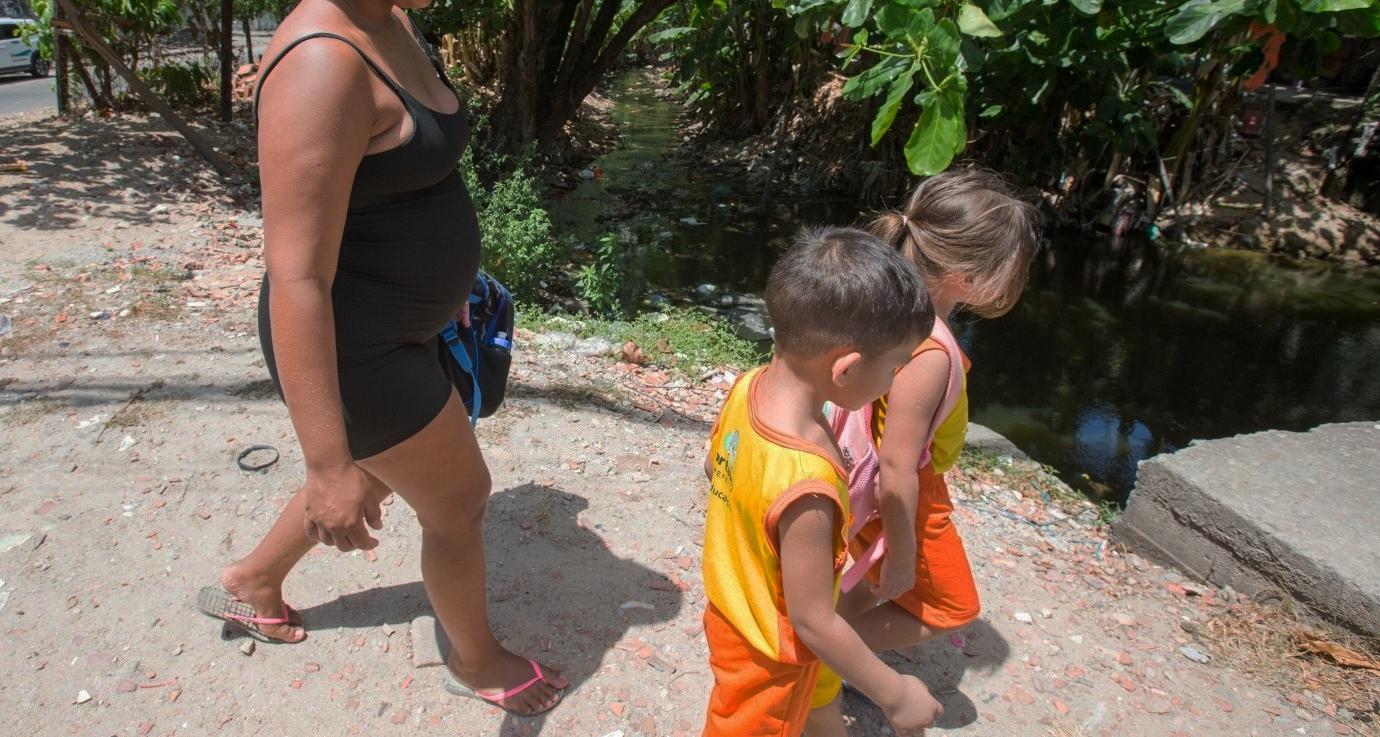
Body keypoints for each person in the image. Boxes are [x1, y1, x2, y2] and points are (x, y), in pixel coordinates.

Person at [196, 0, 566, 716]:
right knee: (458, 499)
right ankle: (476, 657)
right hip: (356, 351)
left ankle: (255, 581)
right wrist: (325, 461)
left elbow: (400, 185)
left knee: (389, 466)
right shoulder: (320, 64)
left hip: (407, 324)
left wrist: (447, 287)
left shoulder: (389, 18)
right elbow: (297, 278)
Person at [808, 168, 1042, 729]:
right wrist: (908, 547)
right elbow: (897, 464)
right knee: (952, 603)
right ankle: (824, 655)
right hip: (906, 493)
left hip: (861, 477)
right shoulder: (933, 351)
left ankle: (824, 661)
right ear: (966, 275)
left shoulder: (888, 308)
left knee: (862, 588)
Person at [700, 227, 943, 737]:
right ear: (846, 369)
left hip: (732, 610)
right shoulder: (806, 485)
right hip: (772, 656)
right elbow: (814, 621)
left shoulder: (748, 389)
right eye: (896, 367)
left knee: (812, 710)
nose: (896, 381)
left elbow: (715, 468)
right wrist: (896, 695)